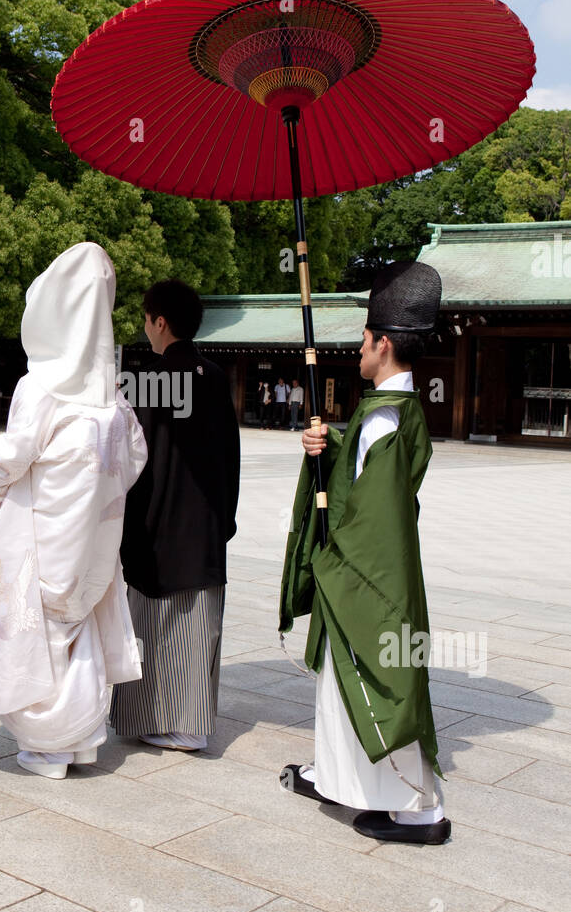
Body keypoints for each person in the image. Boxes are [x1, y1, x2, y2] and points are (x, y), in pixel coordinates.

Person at [0, 242, 148, 780]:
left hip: (42, 534)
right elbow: (134, 460)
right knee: (78, 627)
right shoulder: (112, 397)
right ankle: (81, 741)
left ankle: (48, 746)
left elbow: (8, 462)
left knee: (37, 636)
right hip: (93, 537)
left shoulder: (40, 386)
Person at [279, 260, 450, 845]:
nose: (357, 348)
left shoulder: (382, 419)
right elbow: (367, 473)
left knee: (380, 680)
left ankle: (420, 810)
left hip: (369, 575)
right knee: (349, 678)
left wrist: (332, 562)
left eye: (363, 338)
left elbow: (371, 516)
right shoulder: (399, 410)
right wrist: (327, 444)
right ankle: (338, 778)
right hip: (382, 571)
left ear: (383, 344)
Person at [111, 279, 240, 752]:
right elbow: (230, 455)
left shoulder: (145, 381)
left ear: (160, 322)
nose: (145, 328)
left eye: (146, 319)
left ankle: (154, 718)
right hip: (203, 523)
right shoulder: (216, 376)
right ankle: (193, 723)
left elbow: (131, 459)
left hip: (157, 520)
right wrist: (223, 517)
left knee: (151, 625)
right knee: (196, 626)